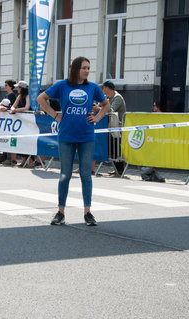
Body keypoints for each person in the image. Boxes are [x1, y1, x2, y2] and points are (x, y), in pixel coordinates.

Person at [37, 56, 110, 226]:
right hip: (67, 135)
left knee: (86, 175)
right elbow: (41, 99)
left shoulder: (92, 87)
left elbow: (106, 105)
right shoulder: (63, 85)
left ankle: (88, 213)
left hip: (86, 136)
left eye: (88, 68)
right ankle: (60, 213)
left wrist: (97, 117)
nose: (87, 71)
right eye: (84, 67)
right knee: (65, 175)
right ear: (76, 69)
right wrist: (55, 115)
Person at [94, 80, 126, 175]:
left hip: (117, 128)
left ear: (107, 88)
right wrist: (96, 106)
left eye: (103, 88)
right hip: (110, 127)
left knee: (116, 149)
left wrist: (98, 109)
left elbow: (111, 110)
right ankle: (117, 170)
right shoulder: (107, 97)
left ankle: (120, 170)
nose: (102, 90)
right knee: (111, 149)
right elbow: (101, 106)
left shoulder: (117, 97)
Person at [10, 80, 33, 167]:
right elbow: (13, 105)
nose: (17, 89)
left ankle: (31, 161)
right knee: (21, 140)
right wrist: (12, 108)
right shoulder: (19, 96)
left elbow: (27, 107)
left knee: (28, 141)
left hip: (29, 121)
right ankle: (23, 161)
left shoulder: (27, 96)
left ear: (22, 88)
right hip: (22, 122)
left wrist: (16, 110)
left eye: (18, 88)